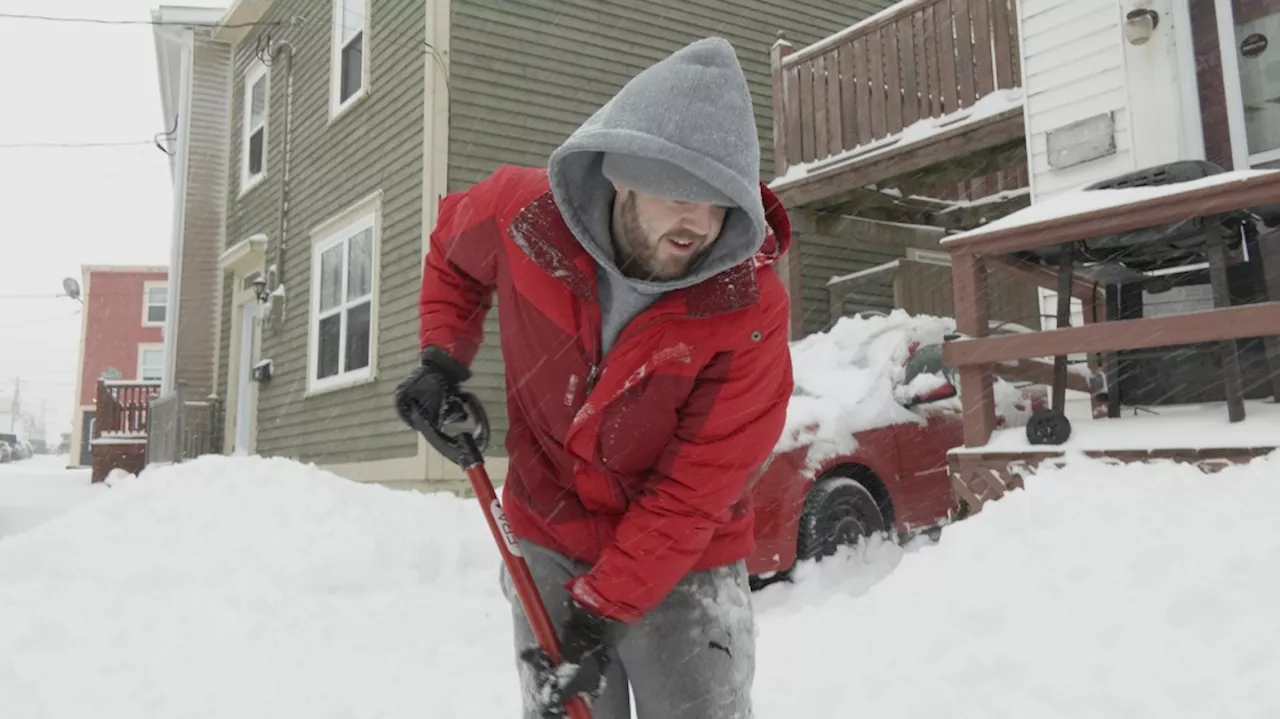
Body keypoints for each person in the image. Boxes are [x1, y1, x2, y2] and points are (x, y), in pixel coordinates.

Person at [394, 36, 794, 719]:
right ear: (623, 175)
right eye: (679, 194)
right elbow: (452, 255)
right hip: (547, 534)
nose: (698, 223)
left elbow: (694, 490)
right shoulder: (524, 218)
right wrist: (441, 358)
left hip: (685, 567)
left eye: (719, 201)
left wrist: (608, 602)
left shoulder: (747, 307)